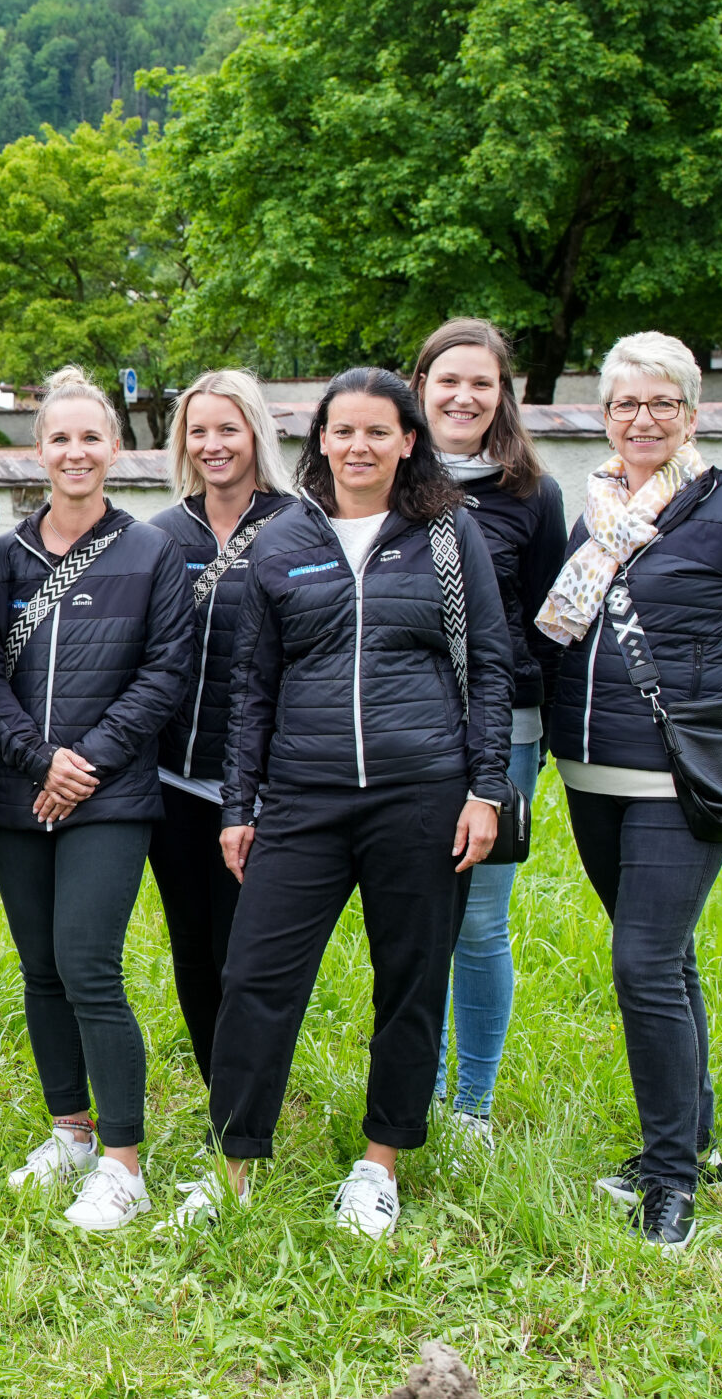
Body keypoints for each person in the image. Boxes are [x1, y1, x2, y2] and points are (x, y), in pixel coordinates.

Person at [184, 369, 512, 1239]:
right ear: (319, 441)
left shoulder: (447, 536)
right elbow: (253, 684)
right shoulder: (282, 540)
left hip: (423, 794)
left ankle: (380, 1164)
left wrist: (485, 788)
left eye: (377, 431)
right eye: (341, 432)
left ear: (409, 441)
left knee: (410, 981)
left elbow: (489, 665)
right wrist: (237, 803)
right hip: (304, 796)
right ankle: (233, 1164)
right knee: (256, 977)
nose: (357, 446)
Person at [541, 332, 722, 1249]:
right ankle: (690, 1142)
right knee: (670, 960)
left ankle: (668, 1183)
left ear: (692, 414)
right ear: (605, 415)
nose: (643, 419)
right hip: (591, 774)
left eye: (663, 404)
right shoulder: (595, 512)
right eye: (626, 404)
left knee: (643, 964)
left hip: (676, 781)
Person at [0, 369, 194, 1232]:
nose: (75, 452)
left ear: (115, 448)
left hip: (111, 795)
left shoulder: (151, 552)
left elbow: (165, 673)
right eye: (59, 438)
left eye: (90, 438)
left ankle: (123, 1161)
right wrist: (36, 759)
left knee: (88, 964)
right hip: (17, 788)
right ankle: (69, 1126)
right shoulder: (2, 556)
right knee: (39, 966)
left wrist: (87, 761)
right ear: (39, 450)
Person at [411, 320, 567, 1144]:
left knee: (479, 921)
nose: (464, 396)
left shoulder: (532, 495)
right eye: (448, 380)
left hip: (503, 731)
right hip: (403, 730)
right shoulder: (382, 477)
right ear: (421, 387)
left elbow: (546, 622)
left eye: (482, 382)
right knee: (420, 914)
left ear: (503, 393)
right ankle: (418, 1089)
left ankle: (470, 1106)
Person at [147, 371, 297, 1084]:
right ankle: (221, 1098)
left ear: (255, 435)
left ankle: (248, 1105)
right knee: (193, 948)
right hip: (171, 775)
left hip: (261, 787)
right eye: (199, 431)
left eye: (227, 429)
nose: (213, 445)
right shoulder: (160, 536)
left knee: (247, 953)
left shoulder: (299, 528)